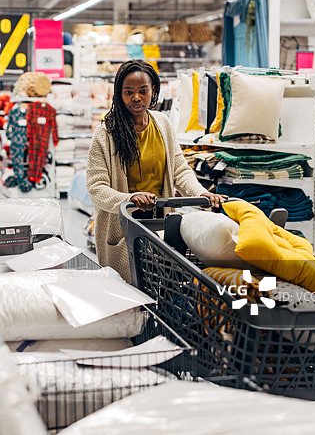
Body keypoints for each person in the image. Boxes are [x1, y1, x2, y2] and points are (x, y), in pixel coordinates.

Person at [87, 59, 227, 282]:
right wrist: (129, 198)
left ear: (154, 91)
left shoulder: (162, 124)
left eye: (143, 91)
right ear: (119, 94)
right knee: (129, 292)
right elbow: (96, 188)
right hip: (123, 223)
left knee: (161, 290)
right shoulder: (106, 132)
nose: (136, 98)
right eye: (128, 92)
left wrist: (201, 194)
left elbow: (179, 170)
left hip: (161, 221)